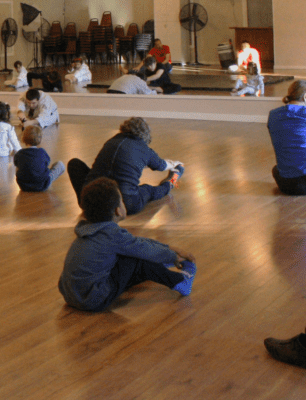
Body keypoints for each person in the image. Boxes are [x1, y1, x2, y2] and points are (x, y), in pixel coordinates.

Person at [57, 177, 196, 312]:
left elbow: (136, 242)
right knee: (137, 259)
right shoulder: (111, 234)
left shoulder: (88, 228)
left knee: (131, 253)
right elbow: (142, 248)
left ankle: (156, 267)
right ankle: (181, 282)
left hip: (70, 296)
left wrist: (170, 249)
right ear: (118, 210)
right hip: (93, 300)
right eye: (122, 201)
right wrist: (173, 256)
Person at [66, 117, 184, 215]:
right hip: (126, 203)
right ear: (146, 136)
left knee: (74, 164)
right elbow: (162, 166)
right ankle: (173, 180)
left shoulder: (112, 141)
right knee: (149, 190)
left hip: (93, 198)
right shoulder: (144, 149)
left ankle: (84, 201)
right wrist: (176, 164)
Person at [13, 125, 66, 192]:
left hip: (23, 186)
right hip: (42, 185)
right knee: (60, 164)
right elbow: (47, 163)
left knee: (18, 166)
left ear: (23, 138)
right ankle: (47, 182)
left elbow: (16, 165)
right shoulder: (42, 152)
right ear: (40, 139)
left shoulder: (19, 153)